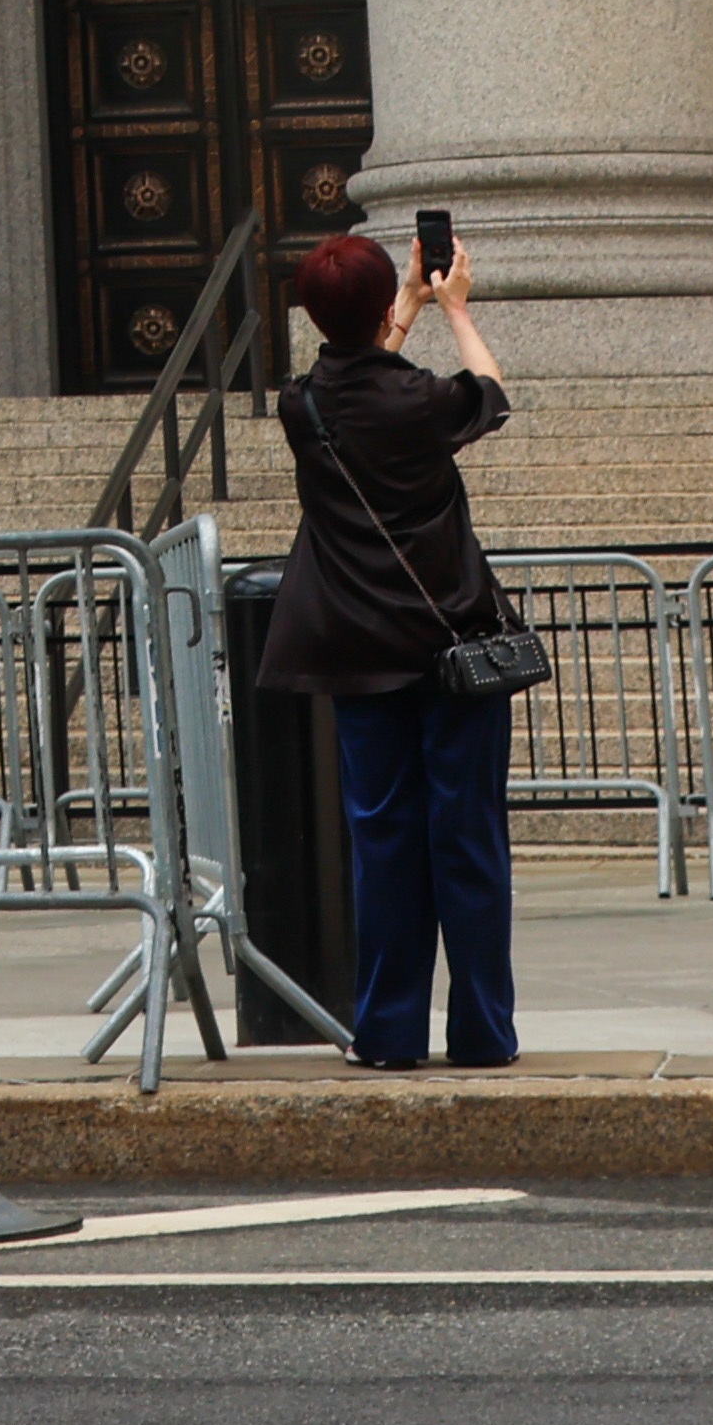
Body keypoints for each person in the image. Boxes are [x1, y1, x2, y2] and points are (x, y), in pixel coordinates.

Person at [252, 223, 519, 1073]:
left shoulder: (302, 407)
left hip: (358, 655)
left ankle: (388, 1032)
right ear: (377, 309)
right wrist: (453, 308)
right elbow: (490, 391)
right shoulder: (423, 403)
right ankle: (481, 1033)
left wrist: (396, 309)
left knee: (383, 846)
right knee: (466, 843)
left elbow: (352, 372)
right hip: (453, 651)